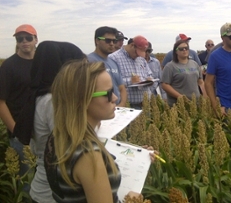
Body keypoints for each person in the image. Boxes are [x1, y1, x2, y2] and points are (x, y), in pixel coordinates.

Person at [44, 60, 143, 202]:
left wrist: (138, 156)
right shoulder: (88, 154)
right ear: (83, 100)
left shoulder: (58, 137)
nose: (115, 98)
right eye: (108, 93)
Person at [28, 41, 85, 203]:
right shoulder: (54, 102)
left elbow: (35, 147)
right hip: (54, 193)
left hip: (44, 188)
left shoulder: (39, 96)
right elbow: (74, 149)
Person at [0, 24, 38, 188]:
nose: (24, 42)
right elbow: (1, 102)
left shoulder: (41, 64)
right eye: (19, 39)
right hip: (21, 134)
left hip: (42, 131)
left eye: (28, 38)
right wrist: (16, 131)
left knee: (43, 177)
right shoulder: (9, 66)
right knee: (26, 181)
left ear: (36, 39)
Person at [109, 35, 153, 109]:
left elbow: (149, 74)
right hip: (127, 106)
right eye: (137, 53)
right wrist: (130, 81)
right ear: (132, 45)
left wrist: (149, 80)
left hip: (144, 104)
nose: (138, 56)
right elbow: (111, 82)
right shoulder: (114, 58)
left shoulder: (141, 59)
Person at [87, 26, 127, 106]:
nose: (112, 44)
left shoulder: (114, 63)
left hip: (116, 110)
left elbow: (122, 88)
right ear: (97, 41)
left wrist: (121, 106)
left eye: (114, 41)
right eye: (108, 41)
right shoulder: (88, 62)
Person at [161, 40, 207, 106]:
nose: (184, 50)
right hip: (179, 105)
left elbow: (200, 82)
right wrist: (180, 97)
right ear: (176, 51)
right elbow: (165, 85)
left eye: (186, 48)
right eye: (181, 49)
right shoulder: (170, 66)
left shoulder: (194, 64)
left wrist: (205, 96)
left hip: (195, 103)